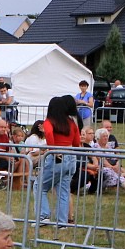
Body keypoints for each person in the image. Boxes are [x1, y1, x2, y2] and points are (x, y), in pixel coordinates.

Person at [35, 95, 82, 226]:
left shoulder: (49, 122)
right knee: (64, 190)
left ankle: (43, 216)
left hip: (57, 156)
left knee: (40, 186)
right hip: (71, 156)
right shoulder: (71, 122)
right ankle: (62, 222)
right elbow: (77, 141)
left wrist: (53, 149)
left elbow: (49, 134)